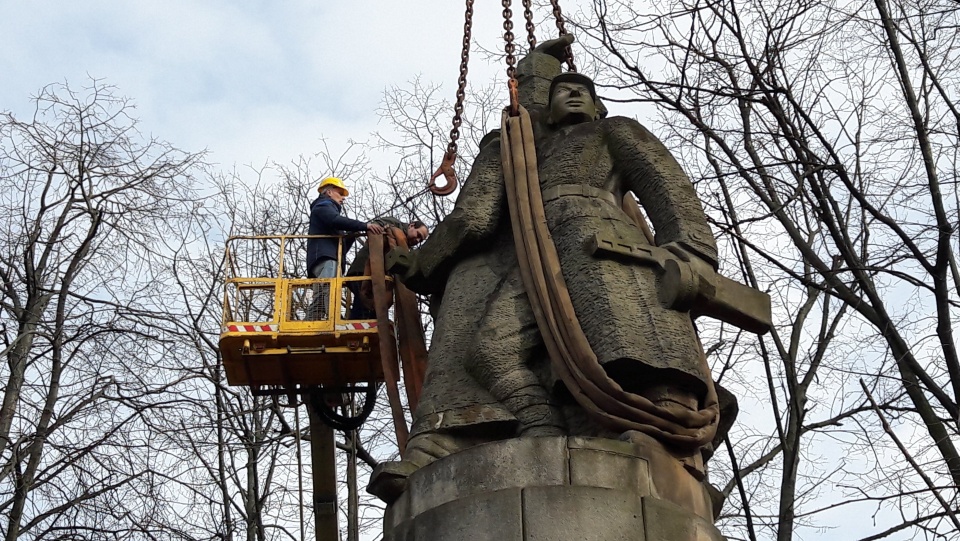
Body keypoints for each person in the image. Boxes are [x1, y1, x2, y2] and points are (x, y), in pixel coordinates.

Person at [369, 38, 728, 503]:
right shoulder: (522, 146)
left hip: (602, 245)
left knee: (631, 345)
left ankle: (658, 438)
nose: (573, 94)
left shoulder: (614, 131)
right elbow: (476, 215)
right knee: (491, 349)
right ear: (546, 109)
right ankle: (539, 424)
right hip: (540, 255)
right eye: (562, 91)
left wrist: (692, 255)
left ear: (599, 106)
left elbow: (669, 188)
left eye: (583, 90)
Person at [306, 177, 384, 320]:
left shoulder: (326, 212)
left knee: (321, 294)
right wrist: (364, 226)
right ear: (329, 192)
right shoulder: (323, 206)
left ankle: (310, 321)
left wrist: (351, 236)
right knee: (330, 288)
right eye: (340, 193)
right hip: (325, 259)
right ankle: (333, 319)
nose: (343, 198)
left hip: (325, 258)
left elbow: (340, 249)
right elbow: (335, 220)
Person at [344, 219, 429, 319]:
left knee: (373, 313)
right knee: (364, 310)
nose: (418, 240)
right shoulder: (394, 224)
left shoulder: (405, 251)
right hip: (363, 271)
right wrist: (386, 229)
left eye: (421, 240)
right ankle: (356, 333)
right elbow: (375, 225)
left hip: (377, 278)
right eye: (418, 235)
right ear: (411, 226)